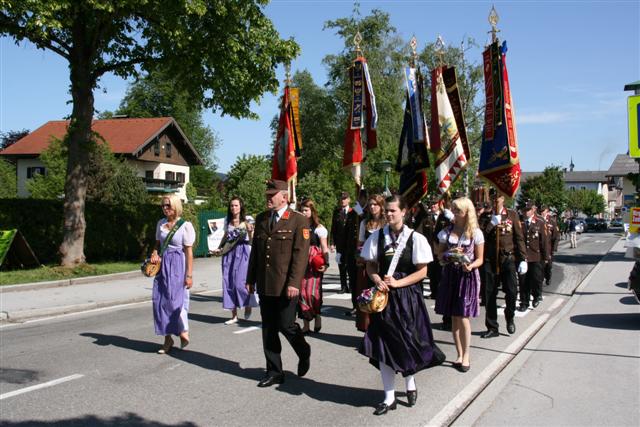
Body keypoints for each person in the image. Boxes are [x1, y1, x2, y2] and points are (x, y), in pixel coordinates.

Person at [360, 195, 444, 415]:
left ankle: (410, 381)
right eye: (386, 210)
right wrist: (376, 279)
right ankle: (389, 398)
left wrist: (398, 283)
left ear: (404, 212)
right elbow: (370, 265)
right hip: (384, 300)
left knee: (408, 342)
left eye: (393, 211)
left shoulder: (415, 238)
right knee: (384, 346)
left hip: (407, 298)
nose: (388, 214)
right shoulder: (377, 237)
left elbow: (422, 272)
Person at [246, 179, 311, 388]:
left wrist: (294, 283)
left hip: (286, 285)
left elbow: (300, 255)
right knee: (268, 328)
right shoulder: (262, 218)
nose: (268, 197)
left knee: (286, 325)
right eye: (267, 194)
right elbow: (256, 253)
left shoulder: (298, 220)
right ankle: (274, 371)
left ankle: (303, 350)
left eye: (272, 194)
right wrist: (250, 279)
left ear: (284, 197)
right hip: (266, 282)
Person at [435, 197, 484, 373]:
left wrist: (470, 265)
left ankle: (467, 355)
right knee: (454, 317)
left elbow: (480, 259)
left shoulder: (475, 233)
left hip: (467, 277)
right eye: (453, 209)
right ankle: (459, 354)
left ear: (467, 213)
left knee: (463, 316)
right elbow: (439, 255)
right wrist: (449, 254)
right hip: (450, 275)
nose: (454, 213)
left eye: (458, 210)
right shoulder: (446, 232)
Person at [150, 194, 195, 354]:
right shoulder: (161, 224)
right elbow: (157, 244)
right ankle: (167, 339)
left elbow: (189, 253)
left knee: (176, 301)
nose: (165, 208)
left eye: (168, 205)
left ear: (176, 206)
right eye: (163, 205)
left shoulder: (185, 226)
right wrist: (154, 253)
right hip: (163, 266)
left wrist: (189, 275)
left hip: (178, 265)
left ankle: (182, 330)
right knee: (160, 302)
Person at [479, 188, 527, 338]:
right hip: (490, 260)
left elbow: (519, 238)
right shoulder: (485, 217)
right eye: (493, 198)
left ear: (503, 199)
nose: (496, 201)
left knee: (512, 291)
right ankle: (492, 327)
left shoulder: (512, 215)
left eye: (498, 198)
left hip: (508, 259)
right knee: (489, 294)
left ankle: (510, 316)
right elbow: (480, 237)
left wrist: (523, 258)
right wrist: (491, 224)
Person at [214, 197, 256, 325]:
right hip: (229, 253)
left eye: (236, 205)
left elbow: (251, 240)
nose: (233, 208)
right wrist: (219, 248)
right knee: (228, 283)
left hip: (243, 252)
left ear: (241, 206)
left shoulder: (247, 220)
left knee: (240, 283)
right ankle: (234, 315)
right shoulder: (227, 220)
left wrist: (250, 232)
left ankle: (248, 304)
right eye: (232, 205)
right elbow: (226, 236)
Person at [355, 194, 386, 331]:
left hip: (383, 263)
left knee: (382, 297)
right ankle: (368, 330)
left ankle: (383, 331)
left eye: (375, 204)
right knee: (368, 297)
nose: (372, 207)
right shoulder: (364, 223)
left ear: (381, 206)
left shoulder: (387, 222)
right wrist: (360, 256)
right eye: (370, 204)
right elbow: (360, 243)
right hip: (367, 264)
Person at [298, 198, 330, 334]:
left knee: (312, 292)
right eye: (302, 210)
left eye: (306, 210)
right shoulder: (297, 226)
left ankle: (317, 315)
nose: (303, 213)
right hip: (300, 261)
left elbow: (324, 247)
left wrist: (326, 263)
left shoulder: (319, 228)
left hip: (314, 263)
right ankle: (306, 325)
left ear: (312, 211)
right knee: (301, 293)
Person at [518, 201, 550, 311]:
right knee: (523, 281)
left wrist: (546, 257)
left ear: (533, 210)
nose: (526, 212)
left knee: (536, 279)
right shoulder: (519, 223)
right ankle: (524, 302)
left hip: (536, 256)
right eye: (524, 210)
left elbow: (544, 241)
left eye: (528, 210)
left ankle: (536, 296)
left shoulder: (539, 223)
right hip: (523, 257)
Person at [330, 192, 359, 301]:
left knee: (350, 265)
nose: (343, 200)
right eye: (341, 199)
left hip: (350, 243)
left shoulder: (353, 212)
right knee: (341, 264)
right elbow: (333, 228)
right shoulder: (337, 212)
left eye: (345, 198)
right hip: (340, 243)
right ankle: (343, 286)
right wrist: (332, 243)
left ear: (349, 200)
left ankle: (351, 285)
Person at [540, 205, 560, 286]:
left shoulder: (552, 221)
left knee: (548, 266)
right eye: (541, 211)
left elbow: (556, 236)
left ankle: (548, 277)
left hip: (549, 248)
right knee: (540, 266)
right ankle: (540, 280)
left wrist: (554, 248)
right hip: (540, 248)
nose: (542, 213)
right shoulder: (538, 220)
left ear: (547, 212)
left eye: (543, 211)